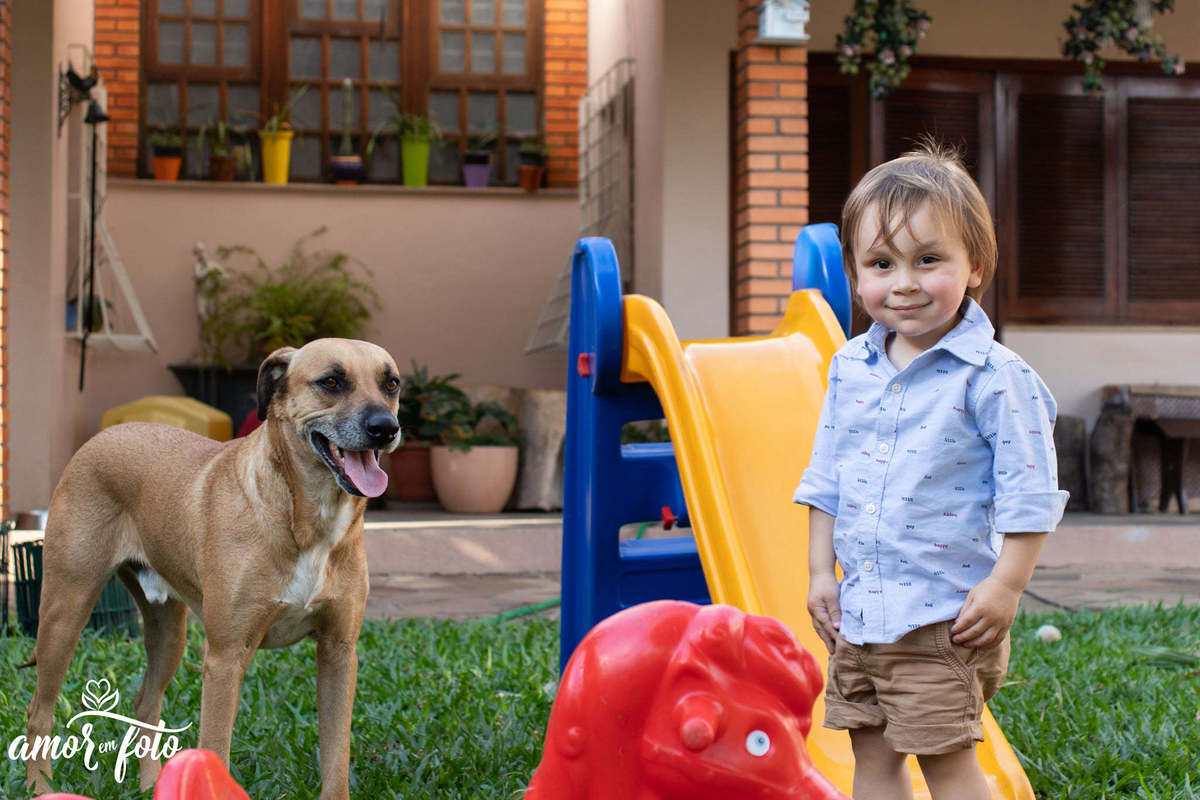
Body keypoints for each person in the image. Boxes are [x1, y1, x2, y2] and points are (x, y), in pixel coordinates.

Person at [793, 143, 1068, 800]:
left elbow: (1030, 496)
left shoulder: (995, 379)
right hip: (860, 614)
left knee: (943, 762)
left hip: (942, 619)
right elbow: (827, 477)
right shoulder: (850, 371)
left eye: (928, 260)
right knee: (873, 756)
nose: (904, 282)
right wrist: (817, 573)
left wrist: (1006, 587)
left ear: (974, 266)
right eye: (882, 264)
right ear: (857, 278)